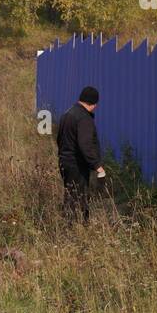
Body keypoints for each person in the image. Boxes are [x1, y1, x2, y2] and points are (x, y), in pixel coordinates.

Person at [56, 86, 104, 223]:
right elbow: (86, 145)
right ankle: (77, 227)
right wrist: (97, 166)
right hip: (77, 164)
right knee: (79, 196)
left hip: (64, 162)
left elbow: (59, 139)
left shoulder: (68, 113)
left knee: (71, 194)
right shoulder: (84, 118)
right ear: (94, 104)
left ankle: (69, 225)